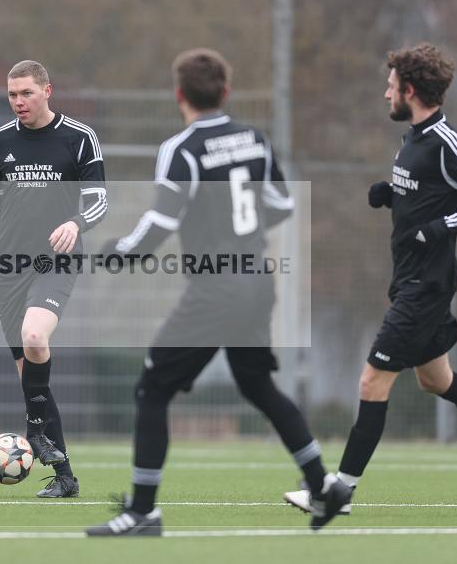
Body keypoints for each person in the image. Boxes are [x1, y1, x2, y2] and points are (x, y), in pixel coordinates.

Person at [85, 48, 350, 537]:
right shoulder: (254, 139)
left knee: (152, 389)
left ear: (178, 95)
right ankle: (323, 484)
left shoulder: (181, 149)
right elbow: (281, 205)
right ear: (226, 92)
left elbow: (161, 221)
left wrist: (113, 252)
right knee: (258, 386)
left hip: (217, 287)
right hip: (256, 281)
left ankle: (142, 512)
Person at [285, 43, 457, 516]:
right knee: (437, 380)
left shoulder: (448, 141)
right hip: (409, 278)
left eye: (390, 87)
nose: (384, 93)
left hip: (424, 287)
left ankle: (337, 493)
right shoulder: (412, 138)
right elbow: (430, 195)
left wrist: (442, 227)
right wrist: (391, 195)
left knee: (372, 381)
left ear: (410, 91)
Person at [0, 60, 107, 498]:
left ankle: (33, 430)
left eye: (26, 93)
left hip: (56, 261)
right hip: (8, 268)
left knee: (34, 336)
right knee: (33, 383)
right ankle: (65, 478)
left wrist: (76, 223)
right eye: (12, 95)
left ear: (48, 90)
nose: (18, 102)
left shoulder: (79, 138)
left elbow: (100, 200)